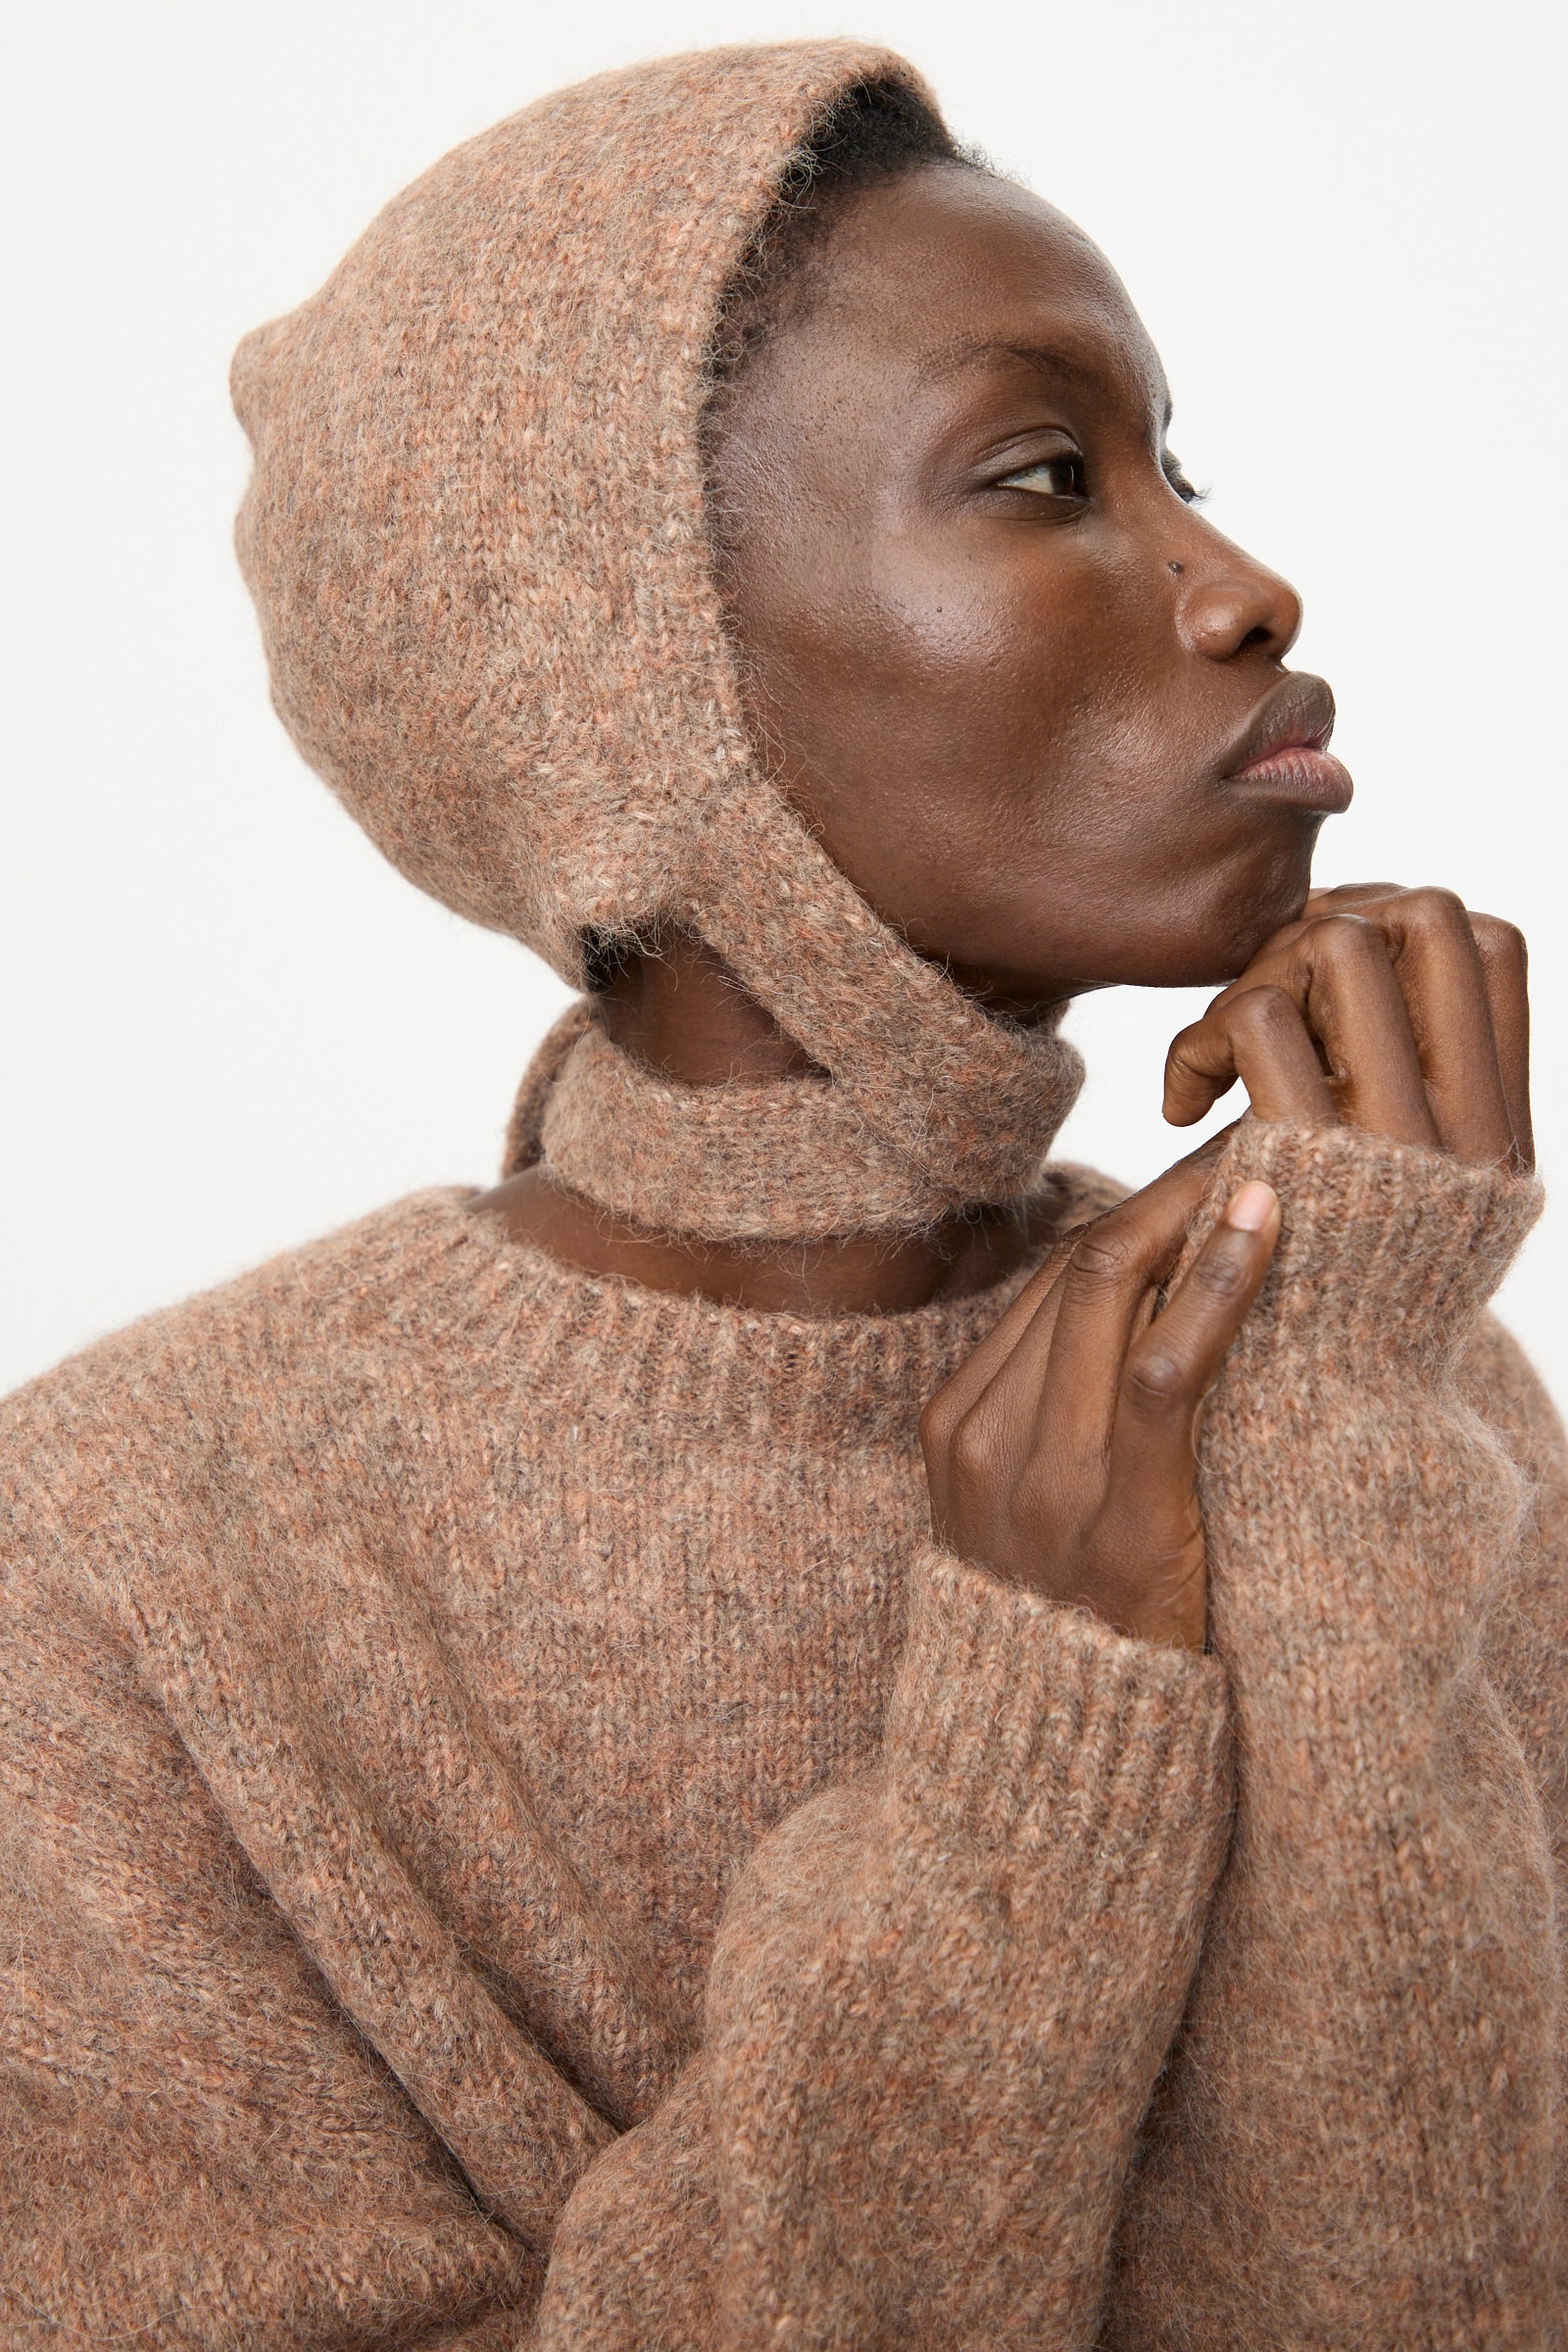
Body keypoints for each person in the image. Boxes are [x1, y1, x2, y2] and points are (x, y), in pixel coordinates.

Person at [1, 37, 1561, 2350]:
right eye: (1042, 476)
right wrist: (1029, 1772)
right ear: (630, 688)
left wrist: (1332, 1391)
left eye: (1177, 468)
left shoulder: (1380, 1356)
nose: (1240, 586)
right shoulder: (113, 1563)